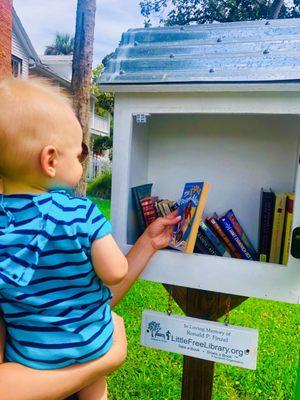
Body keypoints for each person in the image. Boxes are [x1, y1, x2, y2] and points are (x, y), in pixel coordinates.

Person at [0, 78, 180, 400]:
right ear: (51, 160)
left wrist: (148, 243)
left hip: (30, 358)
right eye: (79, 154)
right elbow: (113, 272)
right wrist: (111, 356)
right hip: (89, 345)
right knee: (95, 386)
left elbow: (56, 291)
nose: (82, 162)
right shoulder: (80, 212)